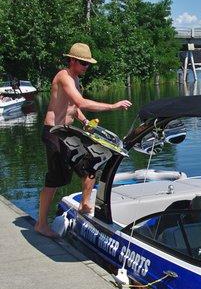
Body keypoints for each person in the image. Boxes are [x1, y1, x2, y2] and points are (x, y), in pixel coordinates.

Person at [35, 43, 132, 238]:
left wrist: (85, 121)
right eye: (82, 63)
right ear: (71, 60)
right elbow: (81, 102)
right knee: (56, 179)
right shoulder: (64, 76)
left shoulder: (76, 80)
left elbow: (74, 107)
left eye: (87, 64)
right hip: (54, 132)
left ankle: (85, 204)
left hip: (67, 132)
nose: (85, 67)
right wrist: (113, 106)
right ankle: (41, 224)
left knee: (92, 162)